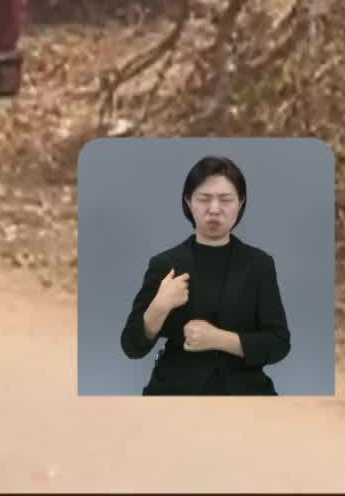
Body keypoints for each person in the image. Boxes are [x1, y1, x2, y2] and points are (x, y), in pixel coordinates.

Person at [119, 154, 291, 395]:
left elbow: (279, 343)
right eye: (204, 199)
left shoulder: (259, 265)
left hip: (246, 393)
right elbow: (131, 346)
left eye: (225, 200)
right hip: (175, 393)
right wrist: (158, 307)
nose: (214, 209)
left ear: (240, 203)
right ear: (189, 202)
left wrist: (218, 339)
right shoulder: (165, 264)